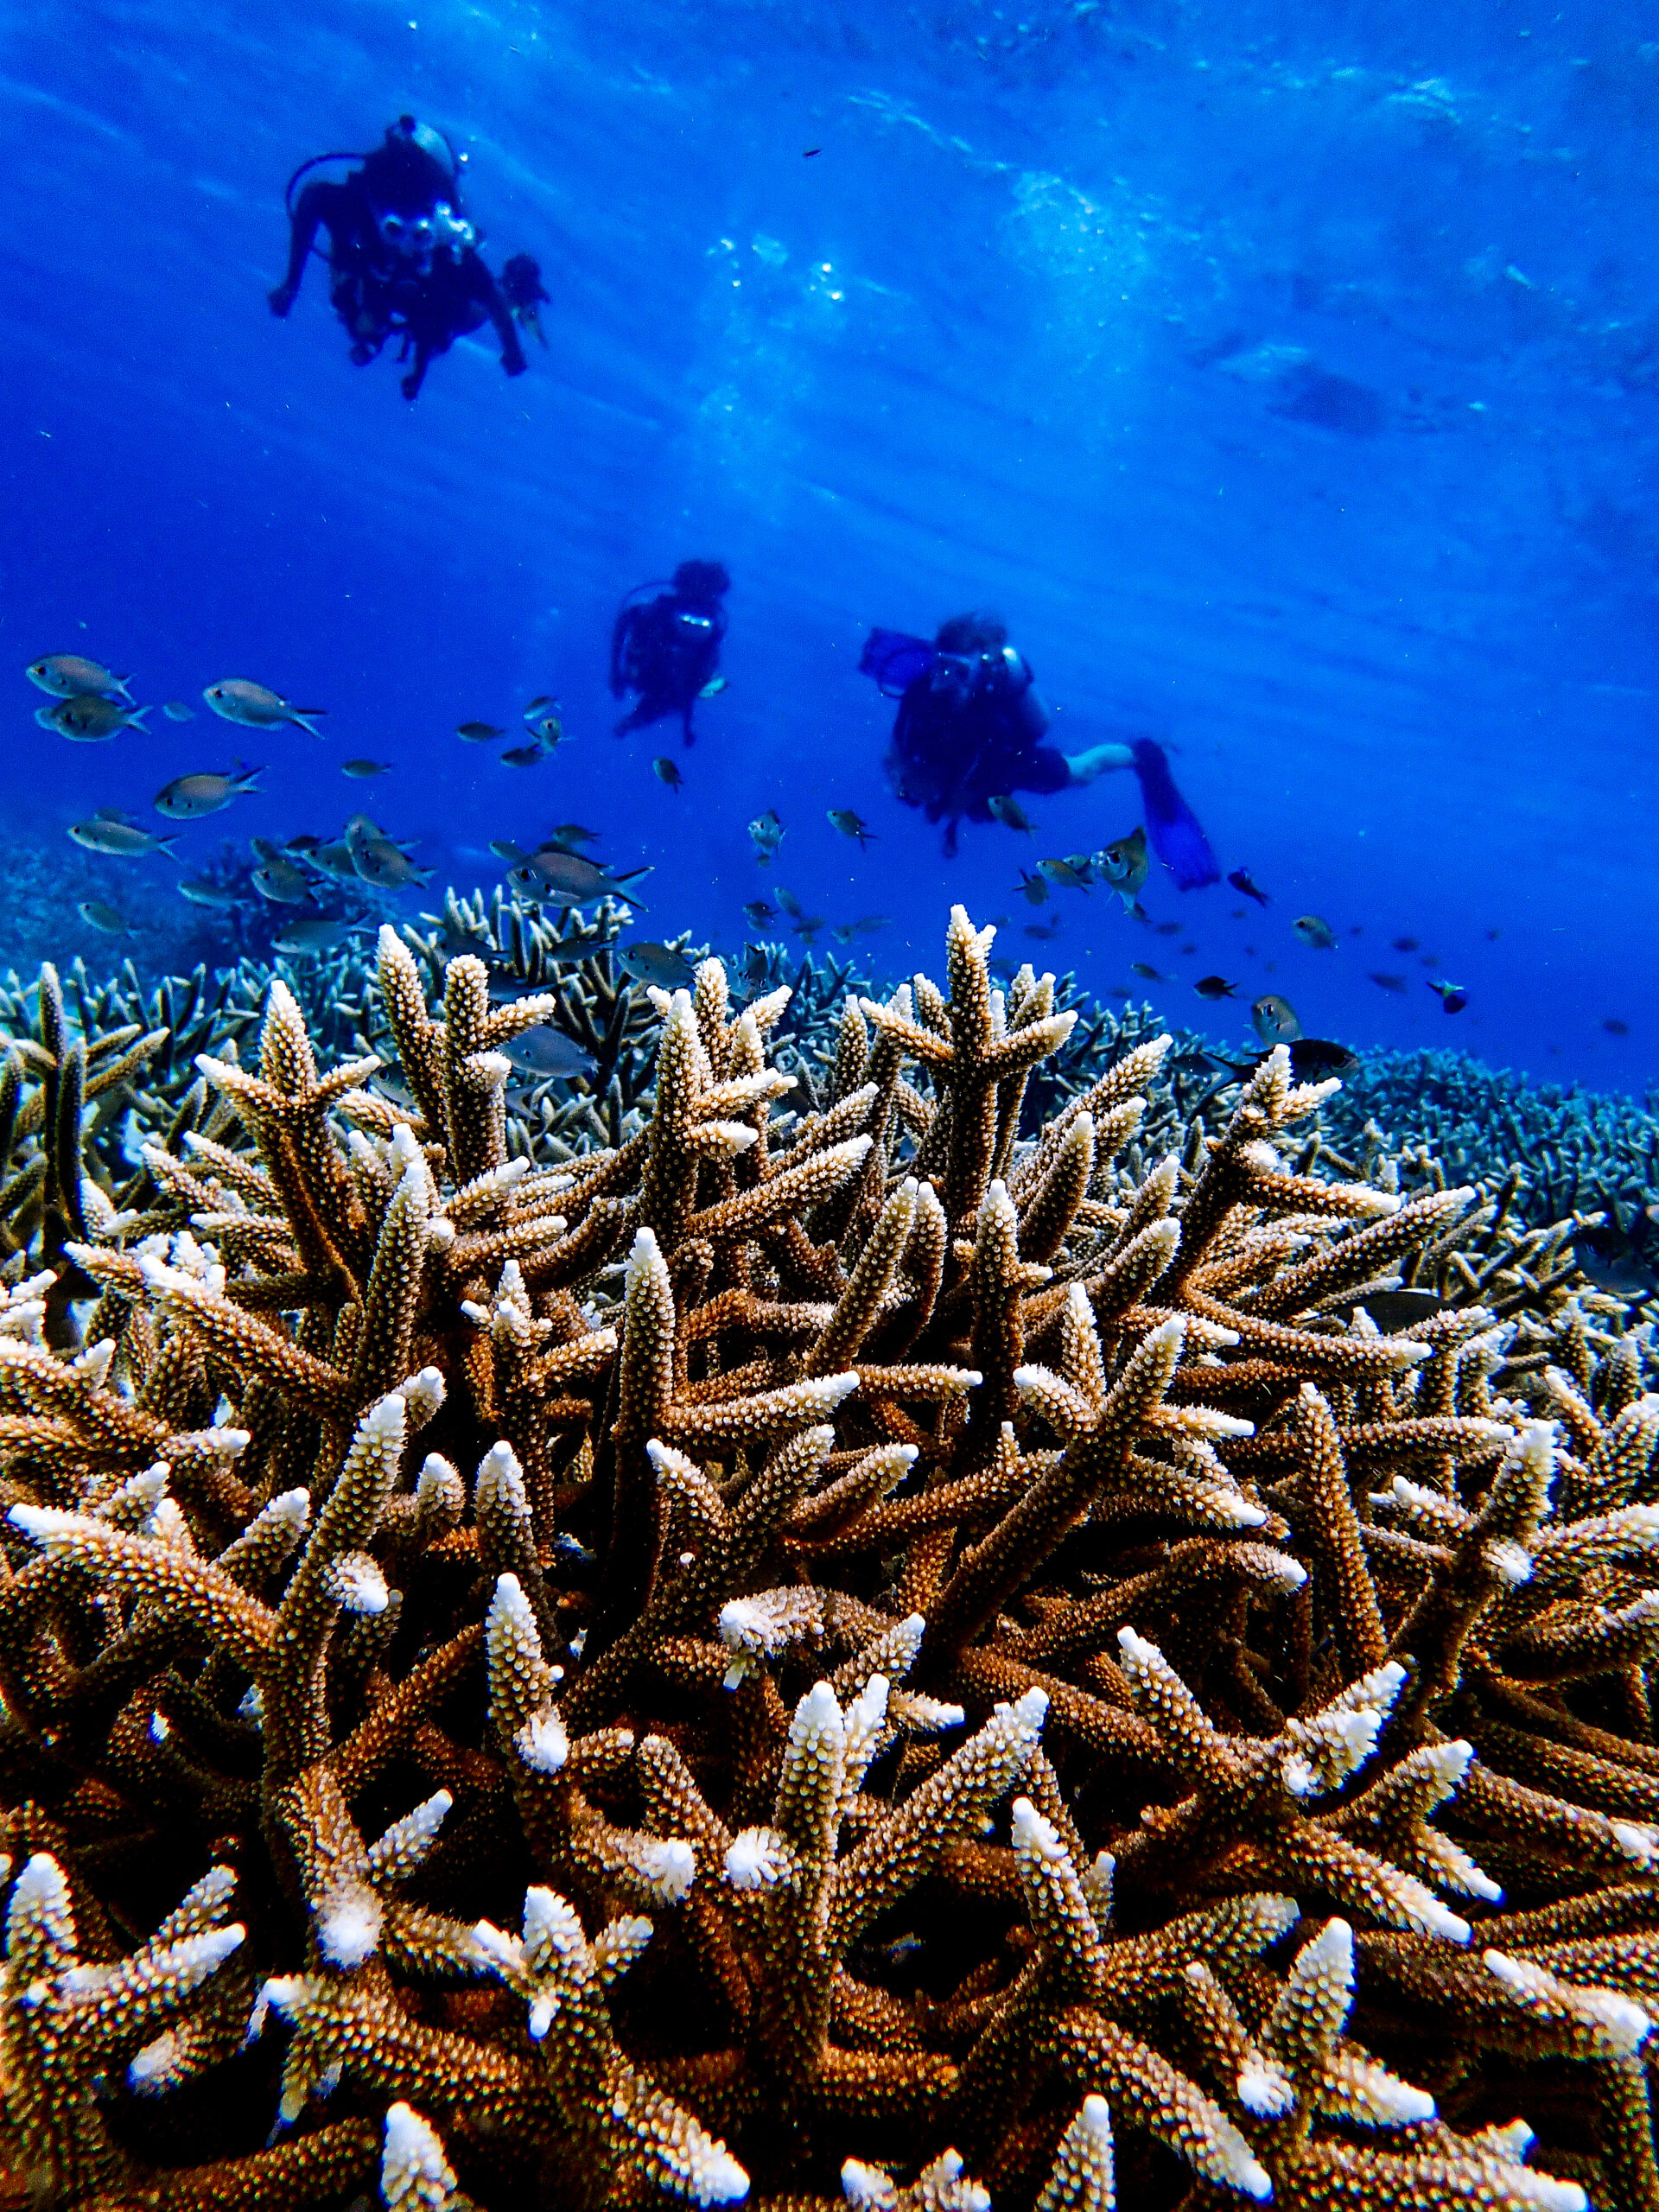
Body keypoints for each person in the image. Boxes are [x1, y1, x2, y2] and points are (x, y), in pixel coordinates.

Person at [860, 612, 1219, 881]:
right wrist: (903, 777)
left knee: (1082, 771)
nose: (947, 682)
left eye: (959, 671)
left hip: (1005, 763)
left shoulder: (992, 723)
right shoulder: (919, 696)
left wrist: (930, 793)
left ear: (979, 674)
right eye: (943, 669)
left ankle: (1142, 754)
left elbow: (961, 799)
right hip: (953, 771)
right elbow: (895, 751)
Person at [269, 116, 531, 400]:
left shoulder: (439, 249)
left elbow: (312, 198)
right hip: (404, 281)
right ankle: (514, 290)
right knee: (443, 320)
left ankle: (516, 289)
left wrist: (291, 284)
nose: (404, 245)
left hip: (428, 288)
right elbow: (312, 199)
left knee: (452, 319)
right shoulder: (363, 222)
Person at [609, 561, 730, 744]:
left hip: (665, 684)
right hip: (648, 672)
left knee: (671, 697)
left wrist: (687, 724)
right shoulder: (659, 611)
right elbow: (626, 620)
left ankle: (629, 723)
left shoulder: (713, 627)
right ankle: (629, 722)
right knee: (668, 696)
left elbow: (698, 677)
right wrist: (616, 671)